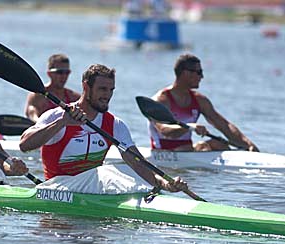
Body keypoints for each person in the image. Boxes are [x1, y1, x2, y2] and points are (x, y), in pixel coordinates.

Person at [20, 64, 186, 193]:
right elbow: (24, 145)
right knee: (111, 171)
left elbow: (138, 164)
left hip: (93, 189)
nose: (107, 95)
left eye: (111, 90)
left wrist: (165, 184)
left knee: (125, 169)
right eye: (102, 89)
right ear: (86, 87)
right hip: (57, 188)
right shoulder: (57, 116)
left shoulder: (115, 124)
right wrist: (62, 123)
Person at [149, 54, 259, 152]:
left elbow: (225, 126)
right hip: (163, 153)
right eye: (199, 72)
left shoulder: (200, 100)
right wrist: (190, 126)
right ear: (185, 73)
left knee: (220, 144)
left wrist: (248, 144)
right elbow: (165, 130)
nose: (202, 77)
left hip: (187, 151)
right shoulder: (160, 100)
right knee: (201, 146)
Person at [24, 53, 80, 122]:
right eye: (60, 72)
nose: (64, 76)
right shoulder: (38, 95)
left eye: (67, 72)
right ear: (49, 74)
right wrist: (40, 124)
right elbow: (32, 114)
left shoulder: (74, 97)